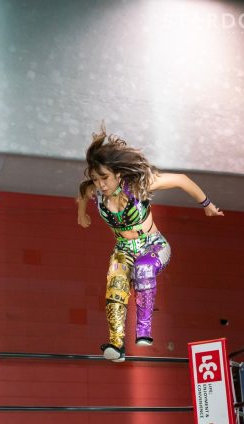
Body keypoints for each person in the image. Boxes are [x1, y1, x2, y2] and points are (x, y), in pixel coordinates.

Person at [77, 126, 224, 361]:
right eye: (96, 179)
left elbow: (181, 180)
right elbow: (83, 194)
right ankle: (116, 345)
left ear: (118, 174)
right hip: (123, 248)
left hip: (153, 245)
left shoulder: (138, 185)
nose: (101, 185)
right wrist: (81, 214)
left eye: (105, 178)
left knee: (143, 269)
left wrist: (207, 205)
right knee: (116, 282)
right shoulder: (93, 190)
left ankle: (144, 330)